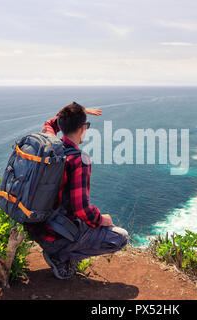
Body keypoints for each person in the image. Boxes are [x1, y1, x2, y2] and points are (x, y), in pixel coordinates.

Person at [25, 101, 129, 279]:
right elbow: (81, 209)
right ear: (83, 128)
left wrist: (78, 112)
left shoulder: (48, 145)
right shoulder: (80, 160)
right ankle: (60, 256)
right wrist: (101, 219)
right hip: (55, 236)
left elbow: (50, 123)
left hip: (35, 227)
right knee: (121, 237)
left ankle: (59, 250)